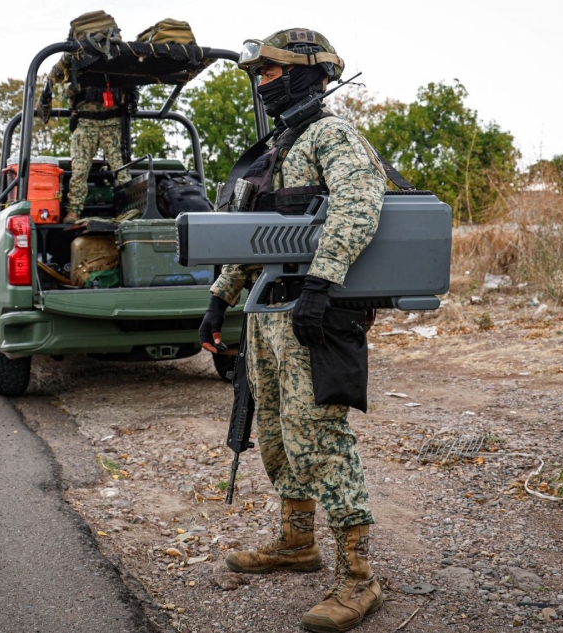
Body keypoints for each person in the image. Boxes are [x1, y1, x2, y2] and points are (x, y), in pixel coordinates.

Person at [198, 28, 390, 633]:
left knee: (322, 439)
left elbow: (362, 204)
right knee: (279, 435)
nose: (262, 83)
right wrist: (218, 299)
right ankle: (296, 542)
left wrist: (320, 283)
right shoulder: (279, 146)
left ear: (312, 73)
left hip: (311, 316)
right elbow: (257, 236)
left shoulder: (332, 134)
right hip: (268, 318)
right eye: (259, 73)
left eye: (273, 72)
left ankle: (358, 579)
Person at [43, 63, 134, 223]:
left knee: (122, 170)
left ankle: (130, 208)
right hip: (86, 122)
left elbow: (129, 92)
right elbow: (64, 93)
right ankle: (74, 211)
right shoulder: (75, 63)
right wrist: (74, 84)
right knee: (79, 170)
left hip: (111, 122)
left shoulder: (116, 62)